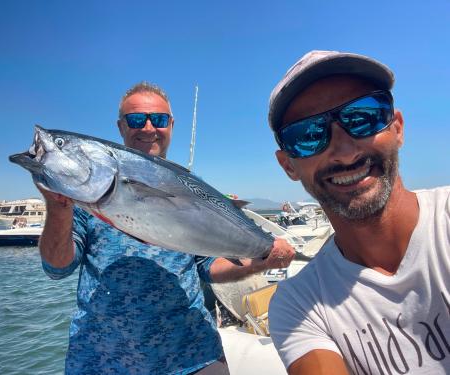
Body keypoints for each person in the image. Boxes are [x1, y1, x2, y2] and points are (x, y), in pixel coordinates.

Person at [37, 81, 296, 375]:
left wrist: (258, 262)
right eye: (136, 119)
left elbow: (208, 266)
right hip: (103, 360)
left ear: (170, 125)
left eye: (158, 119)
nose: (148, 128)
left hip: (193, 355)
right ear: (120, 126)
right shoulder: (83, 199)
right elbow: (57, 268)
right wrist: (58, 207)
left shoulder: (194, 188)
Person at [267, 50, 449, 374]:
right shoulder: (299, 305)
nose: (345, 150)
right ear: (287, 166)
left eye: (363, 116)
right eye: (308, 135)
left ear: (397, 128)